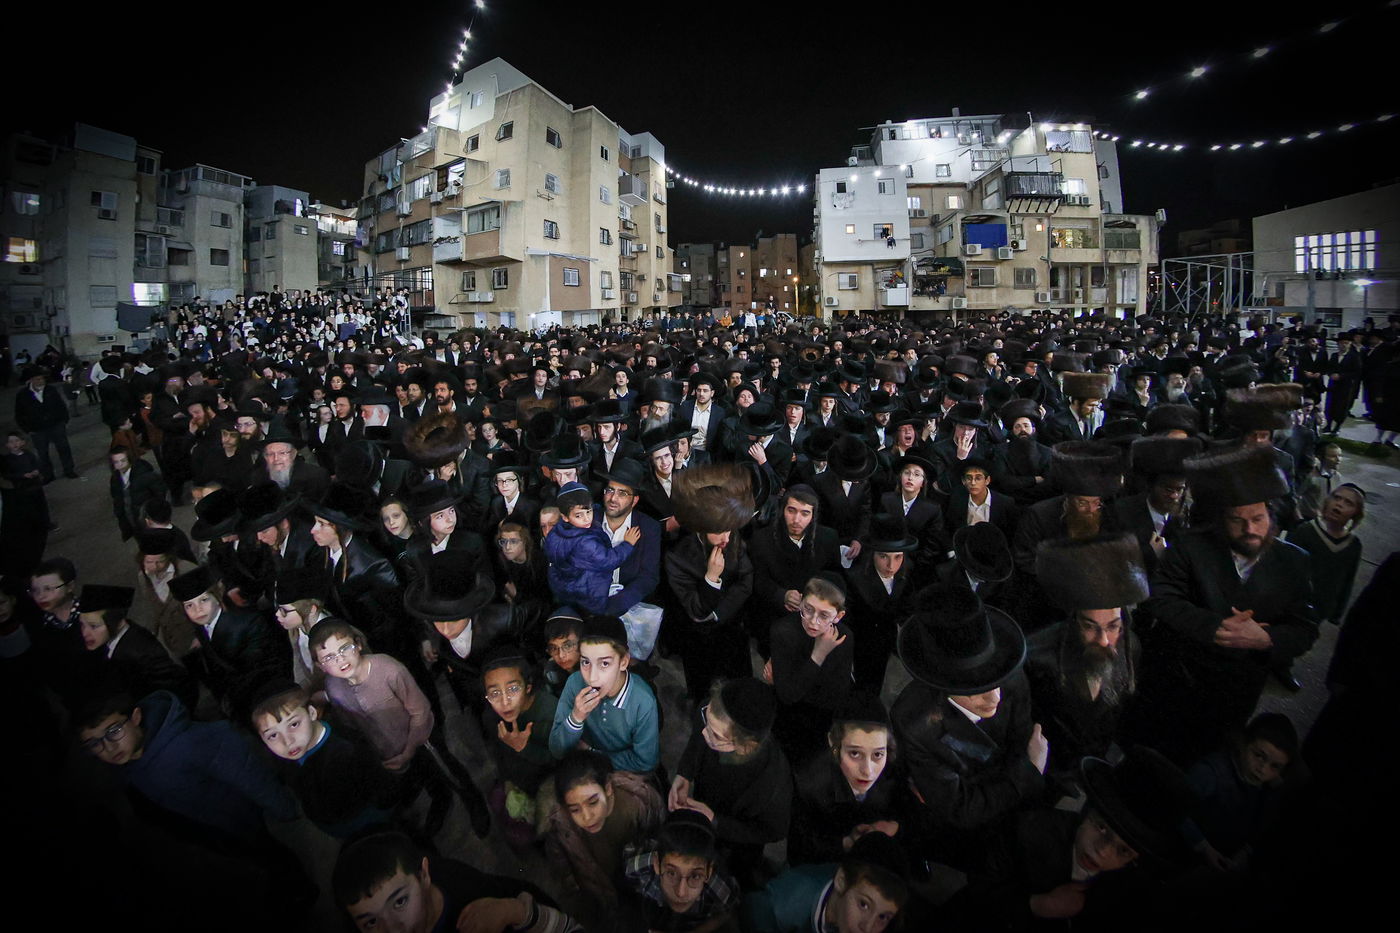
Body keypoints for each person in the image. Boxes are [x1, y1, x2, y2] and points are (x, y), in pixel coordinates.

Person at [1138, 445, 1319, 760]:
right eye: (1238, 520)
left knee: (1209, 753)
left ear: (1271, 518)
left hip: (1237, 687)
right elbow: (1162, 597)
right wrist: (1215, 628)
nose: (1249, 529)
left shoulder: (1294, 562)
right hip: (1178, 674)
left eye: (1257, 519)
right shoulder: (1192, 546)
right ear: (1223, 520)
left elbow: (1304, 627)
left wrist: (1268, 639)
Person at [75, 690, 312, 912]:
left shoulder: (190, 741)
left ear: (135, 716)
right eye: (94, 743)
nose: (108, 747)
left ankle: (303, 890)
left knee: (271, 855)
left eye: (114, 730)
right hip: (207, 830)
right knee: (252, 858)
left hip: (240, 822)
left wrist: (282, 806)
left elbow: (247, 773)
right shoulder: (124, 764)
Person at [891, 587, 1045, 869]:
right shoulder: (914, 722)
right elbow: (960, 808)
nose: (994, 698)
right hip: (961, 831)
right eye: (976, 690)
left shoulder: (1010, 675)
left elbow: (1018, 741)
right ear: (944, 685)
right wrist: (1028, 772)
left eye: (994, 683)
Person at [310, 617, 489, 838]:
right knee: (423, 776)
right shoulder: (333, 687)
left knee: (447, 769)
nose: (341, 660)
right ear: (320, 665)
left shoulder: (388, 669)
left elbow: (420, 711)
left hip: (422, 738)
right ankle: (441, 797)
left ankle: (472, 799)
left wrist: (409, 750)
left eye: (345, 648)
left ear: (357, 643)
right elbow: (349, 720)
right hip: (388, 748)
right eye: (329, 657)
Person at [1025, 534, 1147, 789]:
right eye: (1091, 627)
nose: (1104, 640)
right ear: (1073, 623)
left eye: (1113, 627)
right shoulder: (1037, 658)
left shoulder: (1130, 647)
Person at [670, 677, 792, 886]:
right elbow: (696, 744)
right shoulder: (710, 714)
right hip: (706, 797)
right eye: (706, 720)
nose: (704, 732)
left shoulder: (772, 781)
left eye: (716, 736)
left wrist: (715, 820)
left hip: (738, 846)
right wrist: (684, 775)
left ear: (746, 746)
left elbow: (773, 831)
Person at [333, 830, 579, 933]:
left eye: (400, 902)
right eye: (371, 922)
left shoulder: (478, 900)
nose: (393, 929)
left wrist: (513, 911)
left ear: (424, 875)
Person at [250, 681, 397, 838]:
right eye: (272, 735)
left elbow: (382, 788)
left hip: (361, 818)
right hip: (326, 818)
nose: (287, 742)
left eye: (294, 724)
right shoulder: (283, 754)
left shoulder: (348, 750)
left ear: (312, 713)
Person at [665, 464, 757, 699]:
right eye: (720, 531)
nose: (727, 537)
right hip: (698, 640)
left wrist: (721, 613)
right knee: (702, 690)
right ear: (702, 526)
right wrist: (711, 578)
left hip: (732, 628)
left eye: (730, 530)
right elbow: (695, 608)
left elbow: (745, 579)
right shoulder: (678, 557)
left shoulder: (731, 536)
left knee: (739, 684)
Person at [545, 748, 665, 924]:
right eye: (575, 809)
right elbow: (566, 879)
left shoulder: (640, 802)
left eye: (593, 802)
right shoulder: (561, 830)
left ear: (608, 788)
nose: (586, 817)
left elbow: (660, 837)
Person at [787, 694, 904, 867]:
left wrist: (895, 826)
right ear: (834, 745)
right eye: (855, 753)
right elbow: (800, 848)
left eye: (878, 754)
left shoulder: (894, 764)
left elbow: (906, 808)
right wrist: (845, 843)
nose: (868, 771)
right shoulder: (808, 784)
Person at [1183, 713, 1298, 873]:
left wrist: (1244, 854)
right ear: (1243, 743)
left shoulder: (1267, 791)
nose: (1263, 769)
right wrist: (1203, 847)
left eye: (1275, 766)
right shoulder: (1211, 772)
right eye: (1258, 756)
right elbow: (1175, 810)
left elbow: (1258, 830)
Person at [549, 615, 661, 776]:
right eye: (586, 662)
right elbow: (557, 750)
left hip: (620, 772)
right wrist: (576, 717)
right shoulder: (574, 683)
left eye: (605, 663)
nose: (592, 677)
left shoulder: (642, 701)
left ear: (623, 662)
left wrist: (591, 753)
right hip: (586, 770)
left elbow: (645, 761)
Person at [743, 829, 910, 933]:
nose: (867, 928)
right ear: (841, 881)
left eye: (883, 917)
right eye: (864, 905)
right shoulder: (779, 906)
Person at [766, 575, 855, 763]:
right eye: (808, 609)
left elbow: (836, 694)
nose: (813, 621)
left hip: (823, 719)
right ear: (800, 604)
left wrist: (791, 678)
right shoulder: (782, 631)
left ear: (838, 616)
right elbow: (787, 696)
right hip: (788, 718)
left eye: (824, 615)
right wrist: (818, 655)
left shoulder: (845, 637)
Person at [480, 644, 560, 848]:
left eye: (513, 689)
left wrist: (523, 748)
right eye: (495, 693)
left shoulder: (549, 713)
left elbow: (561, 759)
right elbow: (499, 753)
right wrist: (507, 781)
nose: (505, 702)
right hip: (518, 779)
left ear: (528, 686)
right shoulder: (491, 716)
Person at [75, 583, 195, 708]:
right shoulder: (126, 637)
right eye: (82, 625)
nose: (85, 633)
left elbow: (173, 686)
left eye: (93, 626)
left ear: (118, 621)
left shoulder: (135, 651)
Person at [623, 808, 742, 933]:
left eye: (695, 876)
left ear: (708, 872)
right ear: (657, 864)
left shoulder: (720, 888)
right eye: (671, 873)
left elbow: (728, 912)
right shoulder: (636, 868)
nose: (681, 892)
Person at [1282, 483, 1365, 625]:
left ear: (1356, 513)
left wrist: (1337, 612)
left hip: (1319, 610)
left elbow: (1347, 580)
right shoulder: (1305, 531)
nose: (1339, 504)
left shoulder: (1353, 545)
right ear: (1327, 501)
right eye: (1337, 498)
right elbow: (1282, 566)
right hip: (1290, 604)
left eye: (1348, 503)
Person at [13, 364, 79, 481]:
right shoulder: (23, 395)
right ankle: (48, 475)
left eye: (42, 378)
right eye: (38, 379)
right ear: (31, 380)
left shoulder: (51, 390)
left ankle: (69, 470)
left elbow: (61, 406)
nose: (41, 381)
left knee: (63, 448)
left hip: (56, 425)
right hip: (37, 429)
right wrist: (27, 429)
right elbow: (19, 414)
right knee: (43, 453)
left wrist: (64, 420)